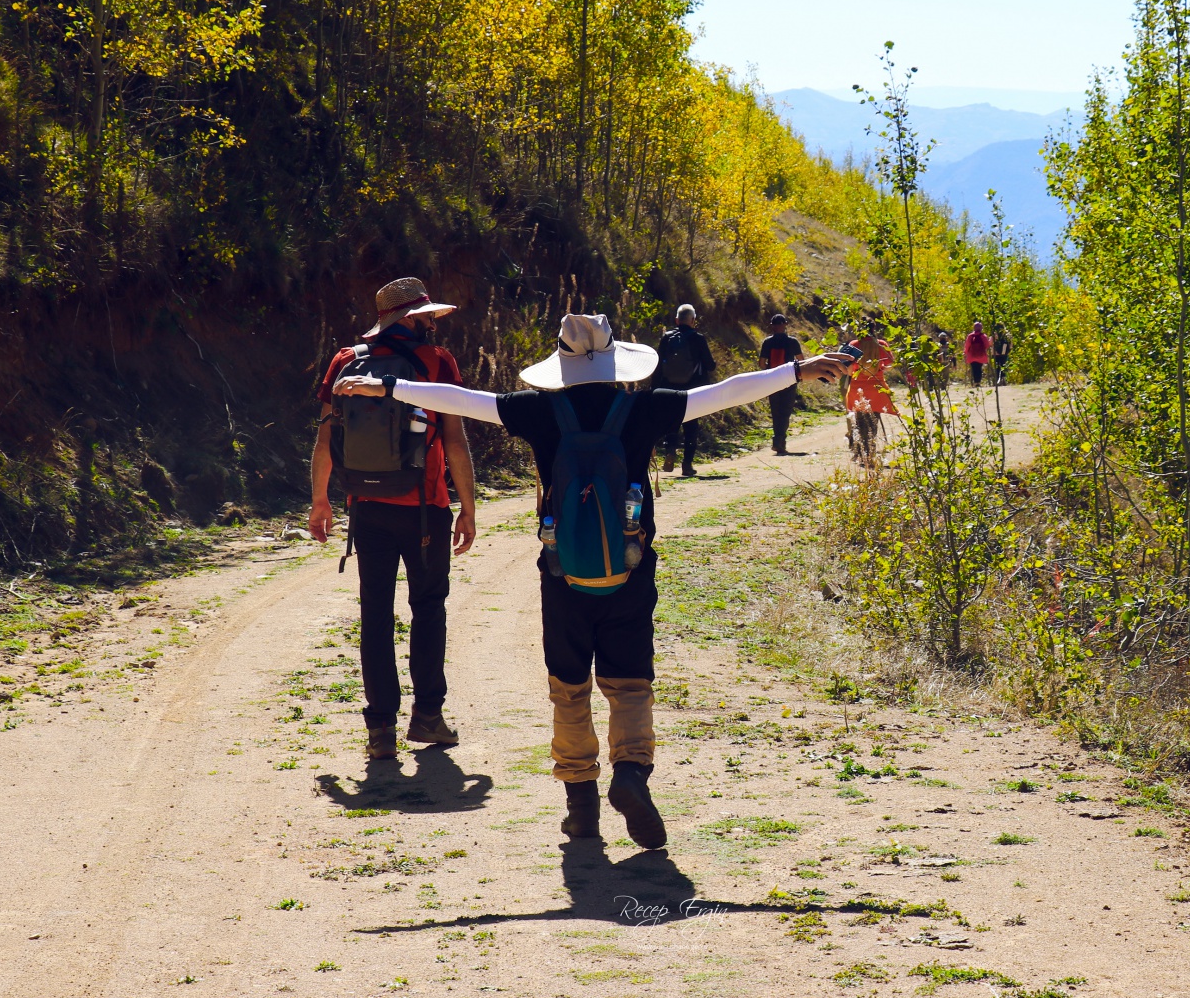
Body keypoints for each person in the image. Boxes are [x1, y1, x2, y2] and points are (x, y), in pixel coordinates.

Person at [332, 313, 850, 848]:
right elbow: (729, 392)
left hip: (562, 573)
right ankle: (629, 775)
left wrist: (385, 383)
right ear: (613, 361)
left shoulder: (536, 411)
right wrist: (797, 369)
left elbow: (461, 399)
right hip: (630, 568)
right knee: (629, 683)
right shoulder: (646, 408)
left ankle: (581, 810)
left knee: (569, 687)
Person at [309, 277, 478, 761]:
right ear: (410, 318)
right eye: (425, 315)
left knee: (375, 615)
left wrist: (321, 500)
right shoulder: (436, 362)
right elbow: (455, 439)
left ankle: (380, 728)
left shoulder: (346, 360)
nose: (430, 322)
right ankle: (427, 716)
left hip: (366, 506)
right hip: (426, 510)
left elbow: (325, 439)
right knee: (428, 609)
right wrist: (466, 506)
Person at [654, 303, 716, 476]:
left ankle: (670, 451)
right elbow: (710, 365)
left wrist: (655, 388)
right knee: (691, 426)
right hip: (692, 390)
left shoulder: (667, 337)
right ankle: (687, 464)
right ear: (693, 321)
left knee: (671, 423)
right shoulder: (698, 338)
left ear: (676, 320)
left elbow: (659, 364)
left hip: (668, 388)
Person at [846, 319, 897, 466]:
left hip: (857, 387)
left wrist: (855, 373)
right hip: (876, 387)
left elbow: (848, 368)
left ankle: (860, 453)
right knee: (873, 422)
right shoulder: (881, 344)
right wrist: (880, 369)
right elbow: (890, 363)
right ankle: (870, 453)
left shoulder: (853, 345)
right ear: (874, 329)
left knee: (859, 421)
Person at [758, 313, 806, 454]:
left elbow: (761, 363)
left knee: (776, 411)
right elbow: (801, 361)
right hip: (789, 379)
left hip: (772, 380)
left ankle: (777, 440)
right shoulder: (793, 342)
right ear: (785, 324)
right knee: (785, 411)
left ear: (772, 326)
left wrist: (769, 371)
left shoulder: (767, 342)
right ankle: (780, 441)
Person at [963, 320, 991, 389]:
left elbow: (967, 345)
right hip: (981, 356)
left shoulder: (970, 336)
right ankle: (978, 382)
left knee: (974, 368)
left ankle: (975, 382)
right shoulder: (983, 336)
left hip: (972, 356)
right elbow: (987, 345)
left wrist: (965, 352)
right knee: (979, 368)